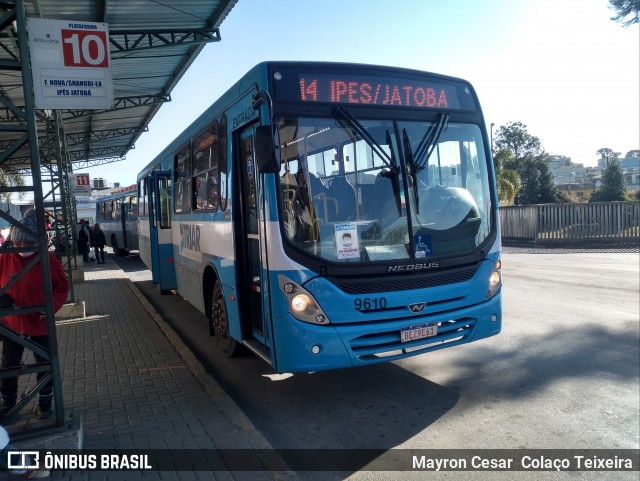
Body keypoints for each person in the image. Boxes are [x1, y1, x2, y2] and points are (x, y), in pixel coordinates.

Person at [0, 209, 70, 421]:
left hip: (40, 321)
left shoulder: (48, 260)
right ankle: (8, 403)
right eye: (18, 244)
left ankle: (45, 402)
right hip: (12, 323)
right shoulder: (4, 259)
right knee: (9, 363)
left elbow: (62, 287)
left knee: (44, 362)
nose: (21, 248)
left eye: (26, 244)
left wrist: (51, 306)